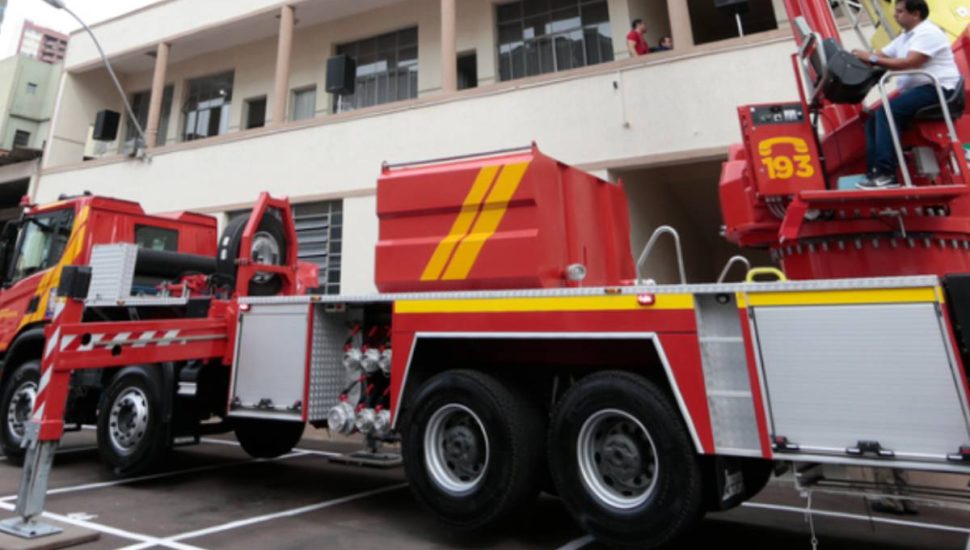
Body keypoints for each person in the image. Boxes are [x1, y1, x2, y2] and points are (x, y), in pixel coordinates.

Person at [851, 0, 961, 189]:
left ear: (915, 14)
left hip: (938, 89)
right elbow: (883, 54)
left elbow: (910, 63)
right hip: (919, 89)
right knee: (872, 119)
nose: (895, 15)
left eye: (900, 11)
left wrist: (873, 59)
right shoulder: (906, 36)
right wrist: (855, 58)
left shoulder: (928, 33)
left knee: (888, 113)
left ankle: (887, 174)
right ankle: (875, 173)